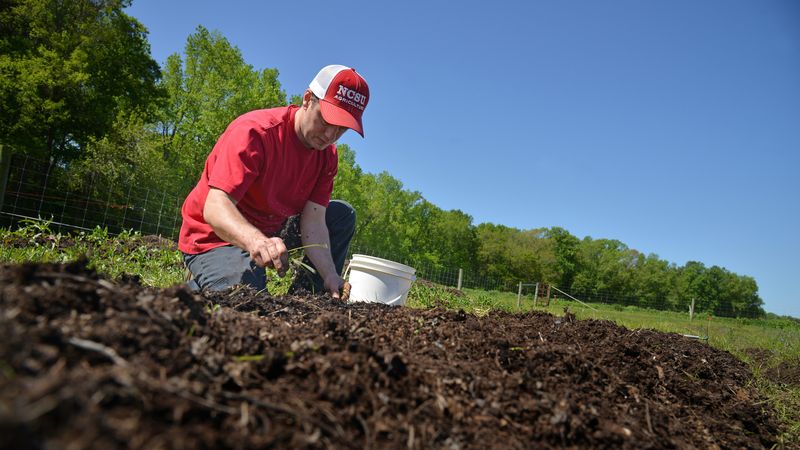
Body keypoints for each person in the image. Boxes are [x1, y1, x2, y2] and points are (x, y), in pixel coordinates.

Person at [178, 65, 370, 299]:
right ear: (308, 99)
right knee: (247, 299)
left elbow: (315, 221)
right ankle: (195, 290)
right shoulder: (256, 133)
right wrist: (256, 241)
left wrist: (330, 273)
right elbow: (215, 207)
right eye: (325, 120)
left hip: (270, 231)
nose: (330, 135)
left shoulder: (327, 156)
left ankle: (308, 297)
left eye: (341, 129)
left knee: (341, 214)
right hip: (215, 236)